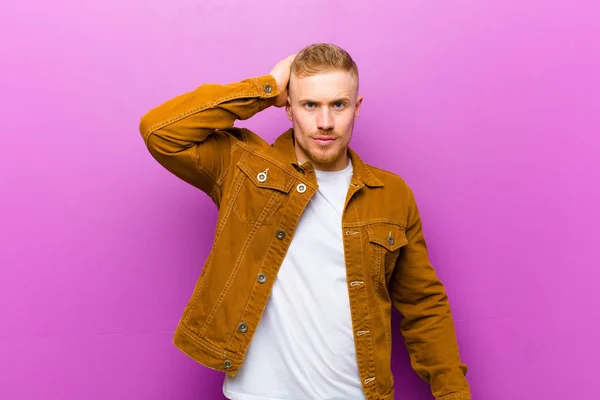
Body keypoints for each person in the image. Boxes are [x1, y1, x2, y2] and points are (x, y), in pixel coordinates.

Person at [139, 43, 471, 400]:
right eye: (310, 104)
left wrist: (453, 393)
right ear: (289, 108)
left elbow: (424, 305)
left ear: (356, 108)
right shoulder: (245, 170)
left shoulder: (391, 193)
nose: (325, 122)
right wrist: (266, 86)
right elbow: (160, 133)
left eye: (338, 105)